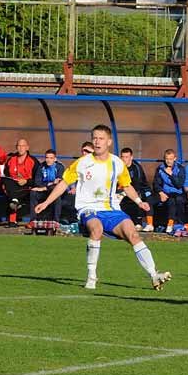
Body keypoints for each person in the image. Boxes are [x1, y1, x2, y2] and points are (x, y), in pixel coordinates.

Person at [35, 124, 171, 291]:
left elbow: (126, 185)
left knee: (132, 233)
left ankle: (154, 274)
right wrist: (46, 202)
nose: (97, 142)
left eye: (101, 138)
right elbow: (64, 183)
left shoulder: (117, 163)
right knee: (96, 229)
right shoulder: (82, 163)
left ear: (109, 142)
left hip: (112, 209)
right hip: (88, 209)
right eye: (95, 138)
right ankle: (91, 276)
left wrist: (138, 201)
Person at [2, 138, 39, 227]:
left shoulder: (33, 161)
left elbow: (37, 179)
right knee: (8, 184)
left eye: (23, 146)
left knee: (14, 196)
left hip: (26, 186)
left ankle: (13, 219)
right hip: (13, 186)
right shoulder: (11, 159)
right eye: (19, 146)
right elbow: (6, 174)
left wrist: (26, 181)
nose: (20, 148)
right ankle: (14, 207)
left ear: (27, 147)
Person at [119, 147, 157, 232]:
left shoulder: (136, 167)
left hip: (142, 189)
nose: (124, 159)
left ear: (131, 157)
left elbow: (138, 185)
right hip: (126, 190)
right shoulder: (120, 167)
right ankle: (134, 223)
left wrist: (125, 193)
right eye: (123, 157)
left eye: (126, 157)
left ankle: (149, 224)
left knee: (146, 199)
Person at [153, 149, 186, 235]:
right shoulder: (160, 169)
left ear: (175, 158)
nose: (168, 161)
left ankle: (178, 224)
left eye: (170, 159)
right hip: (165, 192)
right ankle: (152, 224)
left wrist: (171, 174)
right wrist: (160, 192)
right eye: (167, 159)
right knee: (151, 199)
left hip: (177, 192)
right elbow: (156, 183)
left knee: (177, 200)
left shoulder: (180, 168)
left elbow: (179, 184)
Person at [29, 149, 64, 222]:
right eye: (47, 157)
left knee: (56, 194)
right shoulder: (41, 167)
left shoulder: (60, 167)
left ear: (55, 159)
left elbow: (59, 183)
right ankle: (33, 220)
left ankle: (56, 221)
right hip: (43, 190)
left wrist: (45, 187)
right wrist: (49, 184)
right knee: (33, 193)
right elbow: (37, 182)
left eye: (51, 158)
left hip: (53, 190)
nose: (48, 160)